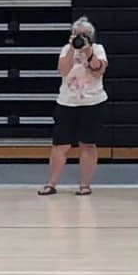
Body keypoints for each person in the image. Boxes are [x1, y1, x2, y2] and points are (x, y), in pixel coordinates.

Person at [38, 16, 108, 197]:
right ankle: (51, 184)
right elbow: (63, 70)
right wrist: (72, 48)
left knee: (88, 144)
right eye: (76, 34)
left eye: (83, 35)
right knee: (60, 144)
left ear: (90, 37)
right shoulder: (65, 50)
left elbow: (98, 68)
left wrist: (88, 52)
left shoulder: (99, 49)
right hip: (67, 102)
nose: (79, 38)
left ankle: (85, 186)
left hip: (92, 102)